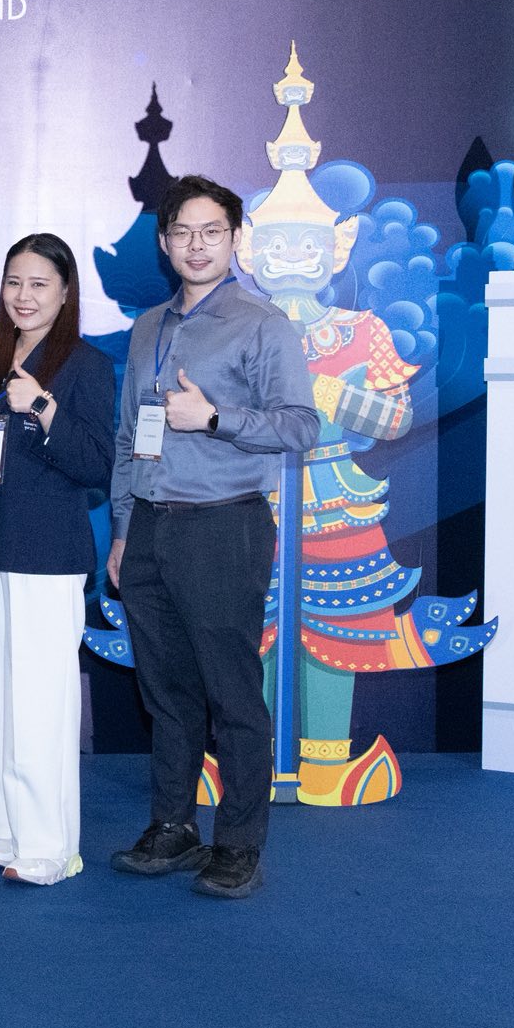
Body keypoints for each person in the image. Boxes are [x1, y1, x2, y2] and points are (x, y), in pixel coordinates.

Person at [105, 174, 319, 899]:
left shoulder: (262, 324)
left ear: (235, 239)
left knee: (232, 695)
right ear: (165, 244)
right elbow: (130, 436)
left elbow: (301, 426)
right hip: (149, 527)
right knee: (166, 693)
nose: (196, 246)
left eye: (212, 232)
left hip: (224, 524)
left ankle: (238, 844)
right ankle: (173, 826)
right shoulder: (147, 327)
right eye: (183, 233)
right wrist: (123, 529)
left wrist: (216, 418)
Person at [0, 233, 115, 887]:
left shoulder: (86, 367)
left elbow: (96, 465)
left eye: (40, 284)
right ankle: (9, 829)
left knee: (40, 703)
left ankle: (50, 845)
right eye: (14, 281)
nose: (24, 295)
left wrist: (41, 406)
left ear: (65, 293)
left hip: (47, 554)